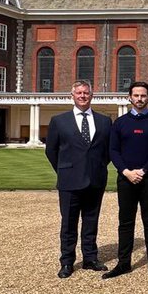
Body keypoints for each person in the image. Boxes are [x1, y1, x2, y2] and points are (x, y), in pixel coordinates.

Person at [44, 79, 112, 279]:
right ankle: (67, 262)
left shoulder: (104, 121)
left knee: (91, 221)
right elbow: (51, 151)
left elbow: (107, 151)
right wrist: (65, 170)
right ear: (72, 96)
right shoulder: (59, 121)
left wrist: (97, 167)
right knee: (69, 223)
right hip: (69, 180)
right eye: (79, 93)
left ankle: (90, 258)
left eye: (86, 93)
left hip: (95, 178)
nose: (83, 96)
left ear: (92, 95)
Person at [107, 80, 148, 278]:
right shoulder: (120, 122)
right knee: (125, 222)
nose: (139, 99)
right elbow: (113, 150)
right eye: (136, 95)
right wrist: (126, 171)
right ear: (130, 97)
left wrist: (143, 170)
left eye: (143, 95)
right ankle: (124, 263)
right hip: (125, 178)